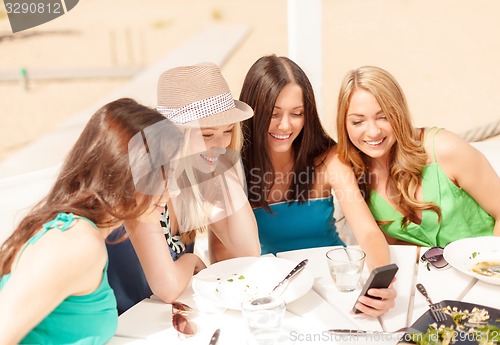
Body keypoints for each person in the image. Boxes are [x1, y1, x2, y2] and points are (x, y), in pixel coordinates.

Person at [0, 98, 183, 344]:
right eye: (164, 175)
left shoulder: (88, 234)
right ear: (128, 176)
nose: (175, 190)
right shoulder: (77, 244)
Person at [240, 55, 395, 316]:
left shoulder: (329, 158)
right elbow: (223, 254)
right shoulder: (237, 167)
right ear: (254, 111)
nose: (286, 125)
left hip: (336, 283)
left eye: (297, 113)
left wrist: (380, 283)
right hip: (275, 292)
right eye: (274, 114)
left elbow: (366, 231)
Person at [106, 63, 261, 314]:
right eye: (208, 135)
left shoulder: (196, 176)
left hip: (164, 319)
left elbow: (248, 250)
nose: (221, 143)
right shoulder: (145, 183)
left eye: (228, 131)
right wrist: (191, 260)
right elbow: (166, 288)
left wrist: (226, 172)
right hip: (123, 324)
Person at [336, 65, 500, 247]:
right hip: (432, 274)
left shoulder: (444, 148)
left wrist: (490, 267)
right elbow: (395, 247)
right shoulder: (354, 177)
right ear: (344, 124)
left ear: (399, 113)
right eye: (358, 121)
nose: (373, 132)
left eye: (384, 117)